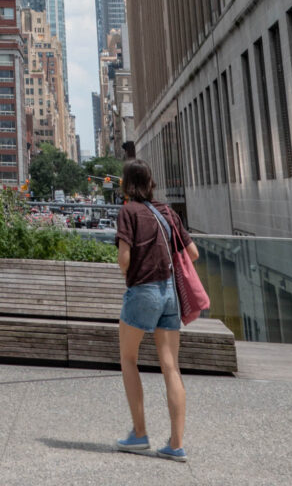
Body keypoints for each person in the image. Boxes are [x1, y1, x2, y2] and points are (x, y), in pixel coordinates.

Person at [113, 157, 197, 462]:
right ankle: (176, 444)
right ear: (151, 183)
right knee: (170, 366)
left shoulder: (128, 212)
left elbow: (124, 259)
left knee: (128, 359)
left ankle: (139, 433)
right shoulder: (168, 212)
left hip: (143, 291)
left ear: (126, 183)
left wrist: (132, 275)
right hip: (170, 295)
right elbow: (194, 252)